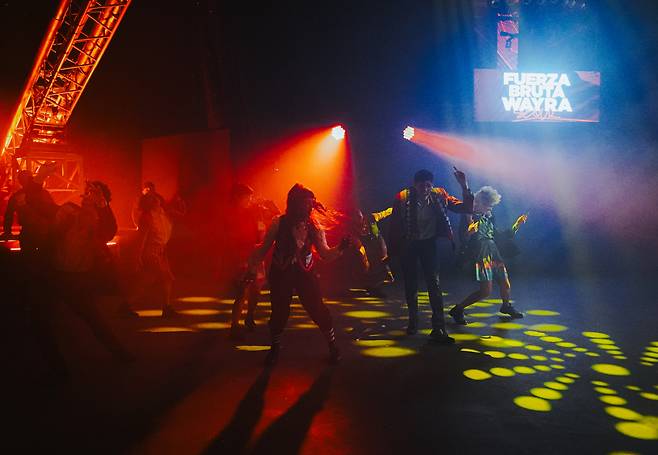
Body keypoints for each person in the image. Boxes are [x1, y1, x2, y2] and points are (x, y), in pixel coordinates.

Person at [248, 184, 350, 366]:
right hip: (281, 272)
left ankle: (333, 346)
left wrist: (340, 249)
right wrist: (251, 268)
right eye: (306, 203)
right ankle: (275, 348)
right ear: (295, 204)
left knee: (317, 309)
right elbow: (262, 249)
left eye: (311, 203)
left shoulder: (314, 226)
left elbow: (325, 254)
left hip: (305, 273)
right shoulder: (278, 223)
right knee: (279, 313)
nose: (310, 207)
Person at [42, 180, 131, 381]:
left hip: (77, 276)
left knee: (92, 318)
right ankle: (57, 367)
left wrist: (102, 205)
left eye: (95, 194)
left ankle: (119, 353)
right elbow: (52, 235)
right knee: (46, 320)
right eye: (88, 193)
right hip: (58, 273)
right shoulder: (68, 211)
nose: (90, 196)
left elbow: (109, 230)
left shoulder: (97, 218)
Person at [388, 168, 473, 344]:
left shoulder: (439, 195)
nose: (425, 189)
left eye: (428, 186)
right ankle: (413, 321)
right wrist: (390, 253)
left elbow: (465, 207)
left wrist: (464, 185)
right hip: (409, 244)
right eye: (421, 186)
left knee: (434, 284)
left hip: (428, 244)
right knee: (411, 284)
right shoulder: (402, 198)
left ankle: (439, 327)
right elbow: (394, 226)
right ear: (415, 185)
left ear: (431, 185)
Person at [449, 186, 527, 324]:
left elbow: (503, 236)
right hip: (481, 253)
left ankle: (506, 306)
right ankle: (458, 309)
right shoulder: (469, 216)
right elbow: (464, 237)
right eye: (488, 205)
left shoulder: (489, 219)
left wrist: (517, 224)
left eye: (491, 206)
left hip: (493, 251)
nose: (490, 208)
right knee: (485, 292)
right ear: (479, 203)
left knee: (505, 282)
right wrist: (469, 232)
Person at [227, 183, 279, 339]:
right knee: (242, 291)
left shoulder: (254, 212)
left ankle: (249, 316)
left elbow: (273, 219)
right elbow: (231, 237)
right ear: (237, 197)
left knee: (256, 290)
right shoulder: (232, 214)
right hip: (242, 257)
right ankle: (234, 325)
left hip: (255, 257)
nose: (249, 199)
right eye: (246, 196)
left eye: (250, 196)